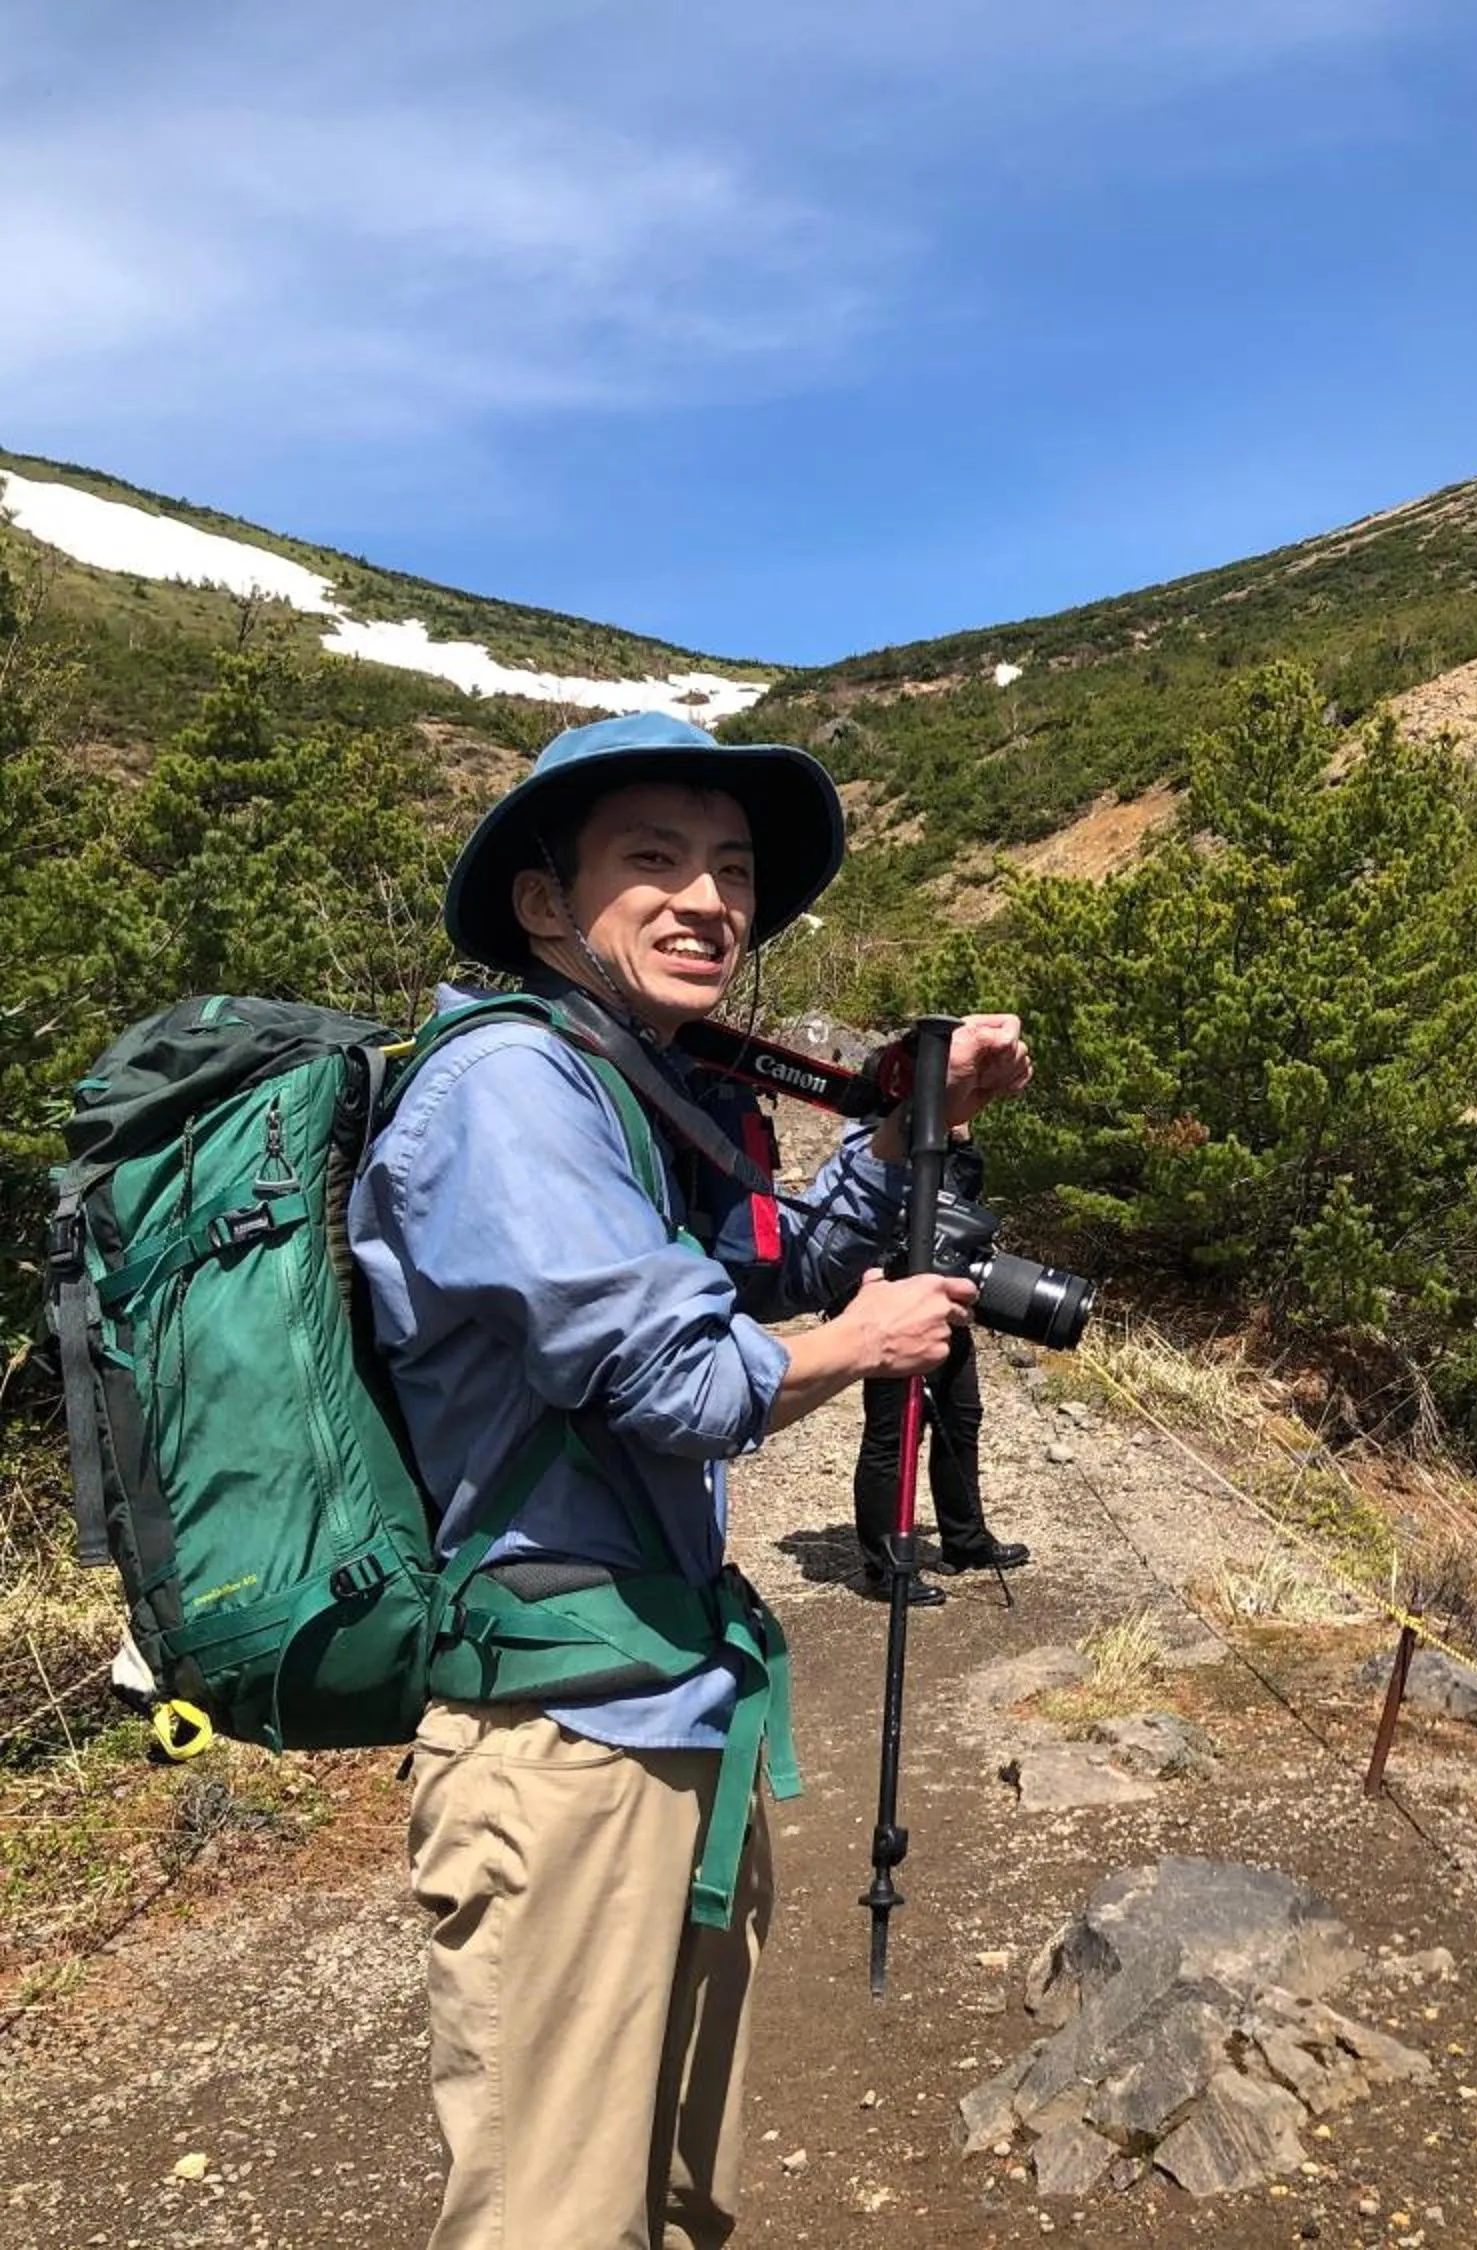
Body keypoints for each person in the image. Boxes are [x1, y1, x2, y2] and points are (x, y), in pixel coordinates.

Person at [347, 711, 1032, 2250]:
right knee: (554, 2217)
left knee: (669, 2196)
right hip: (561, 1741)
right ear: (545, 901)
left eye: (732, 867)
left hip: (666, 1711)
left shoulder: (630, 1088)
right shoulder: (509, 1091)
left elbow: (775, 1267)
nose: (708, 897)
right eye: (652, 858)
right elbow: (681, 1379)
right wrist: (860, 1344)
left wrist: (915, 1133)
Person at [845, 1129, 1025, 1605]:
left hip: (947, 1303)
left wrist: (961, 1144)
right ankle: (884, 1567)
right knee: (890, 1436)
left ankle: (966, 1542)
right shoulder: (879, 1144)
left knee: (960, 1418)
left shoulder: (943, 1148)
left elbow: (967, 1200)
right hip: (895, 1309)